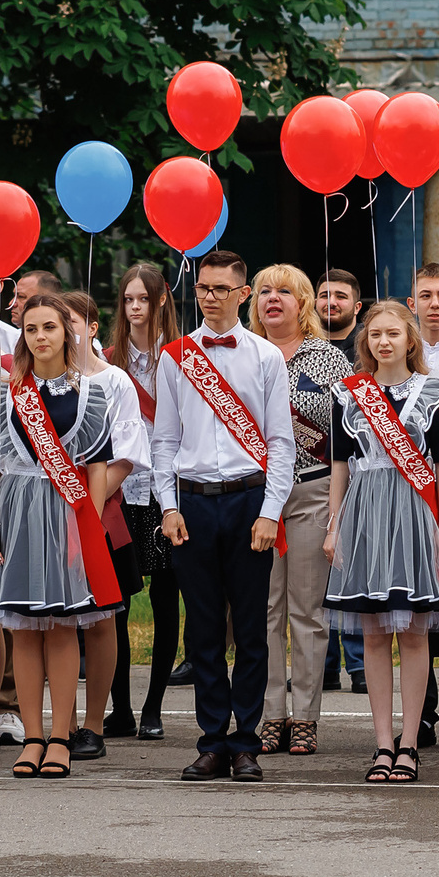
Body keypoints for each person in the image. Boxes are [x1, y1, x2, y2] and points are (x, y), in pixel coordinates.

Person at [0, 291, 139, 778]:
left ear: (68, 333)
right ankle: (31, 737)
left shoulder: (93, 393)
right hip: (16, 513)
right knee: (22, 630)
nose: (40, 337)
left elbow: (98, 465)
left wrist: (89, 526)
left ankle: (61, 736)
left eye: (49, 328)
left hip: (66, 513)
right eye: (31, 329)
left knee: (61, 627)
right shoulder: (3, 391)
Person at [155, 248, 297, 782]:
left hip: (248, 500)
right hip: (191, 502)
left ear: (243, 295)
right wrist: (168, 506)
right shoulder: (176, 356)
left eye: (221, 289)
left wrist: (269, 512)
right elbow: (165, 439)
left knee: (254, 630)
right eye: (203, 288)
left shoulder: (264, 357)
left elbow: (281, 443)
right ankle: (212, 740)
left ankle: (246, 743)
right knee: (205, 630)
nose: (209, 298)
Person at [323, 301, 439, 783]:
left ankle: (410, 745)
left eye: (393, 334)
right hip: (364, 513)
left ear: (410, 340)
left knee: (415, 632)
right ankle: (382, 744)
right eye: (375, 334)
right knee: (374, 633)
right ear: (367, 341)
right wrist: (334, 524)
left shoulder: (433, 390)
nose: (384, 342)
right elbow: (340, 466)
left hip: (414, 513)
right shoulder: (350, 393)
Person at [251, 264, 351, 755]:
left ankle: (306, 716)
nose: (274, 299)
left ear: (304, 302)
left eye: (285, 292)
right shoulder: (242, 355)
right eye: (265, 291)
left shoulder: (329, 359)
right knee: (264, 609)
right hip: (257, 499)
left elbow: (349, 433)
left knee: (307, 611)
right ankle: (271, 713)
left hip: (312, 492)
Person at [61, 287, 150, 752]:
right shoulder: (36, 381)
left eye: (71, 321)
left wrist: (81, 504)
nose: (61, 331)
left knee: (99, 622)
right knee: (55, 623)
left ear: (92, 327)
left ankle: (94, 724)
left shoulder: (114, 381)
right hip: (46, 515)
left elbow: (129, 454)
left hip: (99, 513)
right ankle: (60, 724)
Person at [108, 263, 180, 740]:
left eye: (143, 299)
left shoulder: (183, 356)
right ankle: (120, 708)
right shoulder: (107, 359)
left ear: (159, 302)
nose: (135, 308)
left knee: (165, 597)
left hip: (169, 490)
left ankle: (154, 706)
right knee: (115, 600)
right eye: (128, 300)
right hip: (122, 489)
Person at [316, 269, 365, 359]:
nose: (331, 302)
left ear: (357, 307)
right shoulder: (300, 343)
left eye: (341, 297)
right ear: (315, 303)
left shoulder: (370, 343)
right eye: (324, 296)